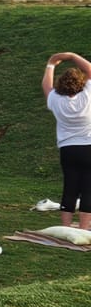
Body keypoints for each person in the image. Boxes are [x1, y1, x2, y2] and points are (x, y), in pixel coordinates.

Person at [43, 52, 91, 231]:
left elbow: (46, 85)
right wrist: (72, 56)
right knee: (88, 189)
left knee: (70, 187)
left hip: (67, 149)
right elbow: (90, 69)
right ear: (81, 83)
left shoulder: (55, 99)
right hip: (88, 147)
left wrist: (51, 64)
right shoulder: (88, 96)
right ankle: (84, 229)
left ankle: (66, 227)